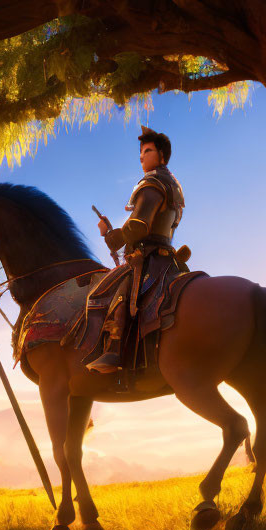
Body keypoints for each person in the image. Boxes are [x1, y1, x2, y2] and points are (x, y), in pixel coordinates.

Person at [87, 126, 186, 374]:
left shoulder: (152, 183)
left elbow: (139, 225)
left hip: (149, 258)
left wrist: (109, 236)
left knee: (110, 291)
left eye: (148, 150)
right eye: (141, 152)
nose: (142, 156)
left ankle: (114, 349)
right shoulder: (173, 185)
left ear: (161, 155)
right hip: (168, 257)